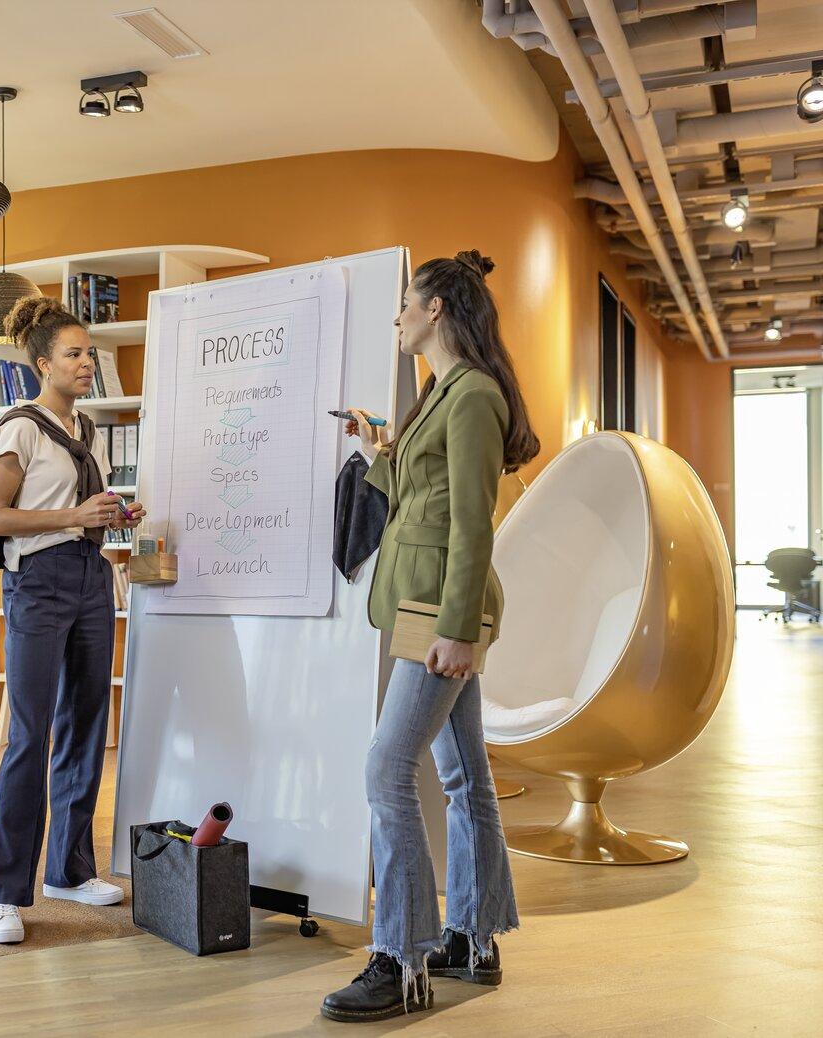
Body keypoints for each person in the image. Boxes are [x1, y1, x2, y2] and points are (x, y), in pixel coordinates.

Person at [321, 251, 540, 1023]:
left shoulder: (472, 394)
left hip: (438, 615)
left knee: (388, 770)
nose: (398, 316)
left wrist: (457, 630)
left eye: (406, 305)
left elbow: (474, 520)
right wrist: (382, 445)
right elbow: (423, 493)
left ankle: (401, 957)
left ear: (438, 308)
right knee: (462, 775)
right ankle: (473, 941)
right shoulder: (442, 392)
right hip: (420, 605)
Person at [0, 295, 146, 945]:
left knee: (85, 726)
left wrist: (106, 518)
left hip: (88, 578)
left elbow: (73, 510)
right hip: (39, 586)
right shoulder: (17, 427)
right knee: (31, 734)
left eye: (90, 353)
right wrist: (73, 517)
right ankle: (4, 894)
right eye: (74, 354)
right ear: (44, 363)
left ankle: (70, 871)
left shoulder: (87, 430)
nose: (87, 362)